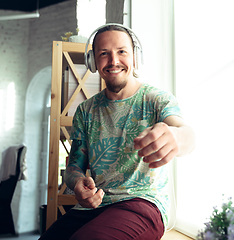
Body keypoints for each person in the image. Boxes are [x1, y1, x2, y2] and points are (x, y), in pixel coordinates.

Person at [40, 23, 195, 240]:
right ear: (93, 62)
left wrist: (178, 137)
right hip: (93, 207)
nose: (114, 61)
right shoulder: (85, 110)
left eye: (122, 51)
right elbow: (74, 165)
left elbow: (186, 133)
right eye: (104, 54)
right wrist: (77, 184)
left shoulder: (157, 99)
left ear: (135, 58)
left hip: (143, 203)